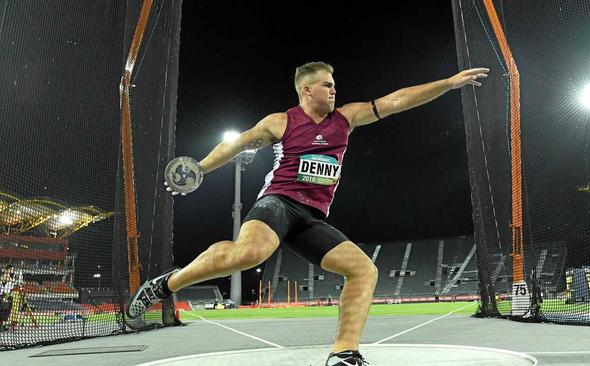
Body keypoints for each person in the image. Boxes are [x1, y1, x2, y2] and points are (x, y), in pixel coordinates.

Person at [127, 62, 489, 365]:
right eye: (327, 85)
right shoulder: (280, 122)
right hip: (277, 202)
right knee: (249, 253)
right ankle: (166, 284)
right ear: (306, 90)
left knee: (364, 270)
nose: (334, 90)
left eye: (334, 85)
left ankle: (344, 353)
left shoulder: (346, 118)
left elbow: (395, 101)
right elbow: (235, 143)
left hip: (312, 216)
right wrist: (201, 169)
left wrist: (449, 83)